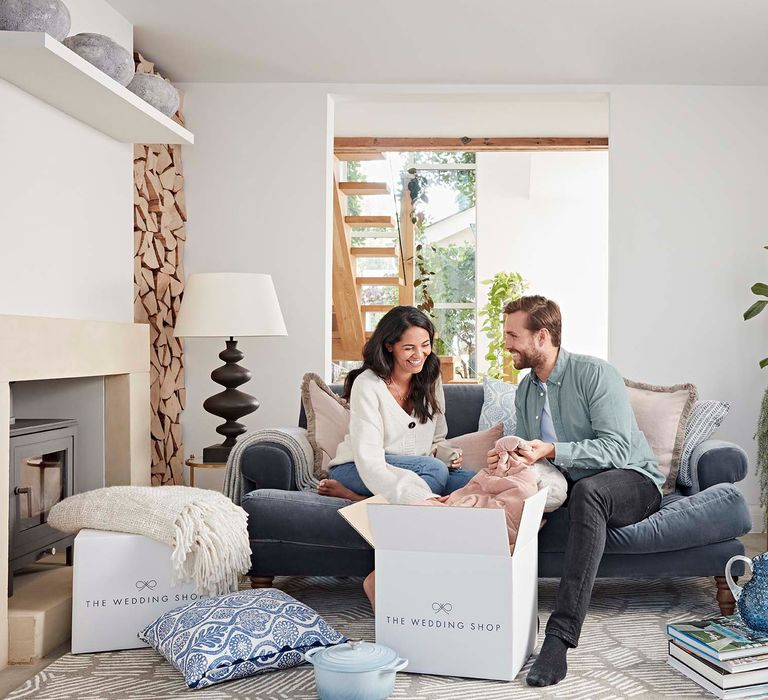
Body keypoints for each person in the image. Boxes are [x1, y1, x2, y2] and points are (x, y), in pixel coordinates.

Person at [486, 295, 664, 688]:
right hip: (576, 484)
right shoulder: (526, 389)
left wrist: (552, 449)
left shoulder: (595, 374)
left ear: (542, 336)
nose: (507, 344)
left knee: (590, 494)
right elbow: (536, 454)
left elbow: (617, 448)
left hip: (632, 479)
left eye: (513, 335)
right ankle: (499, 617)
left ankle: (559, 638)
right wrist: (514, 460)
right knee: (512, 492)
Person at [318, 305, 475, 504]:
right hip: (357, 468)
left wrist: (444, 454)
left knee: (472, 481)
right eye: (409, 348)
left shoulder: (430, 376)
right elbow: (369, 461)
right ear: (389, 345)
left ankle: (366, 500)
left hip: (417, 468)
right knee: (434, 470)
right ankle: (369, 500)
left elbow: (438, 438)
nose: (419, 355)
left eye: (425, 345)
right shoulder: (367, 384)